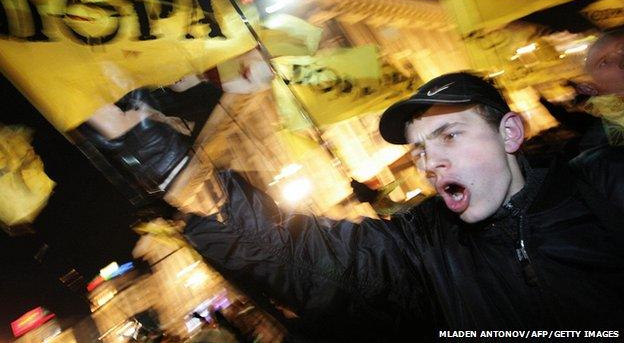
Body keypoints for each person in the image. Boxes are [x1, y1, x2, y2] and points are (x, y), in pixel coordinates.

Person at [180, 72, 624, 341]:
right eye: (419, 150)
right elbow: (315, 259)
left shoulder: (605, 187)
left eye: (450, 134)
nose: (431, 162)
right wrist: (193, 186)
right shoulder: (424, 245)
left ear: (510, 134)